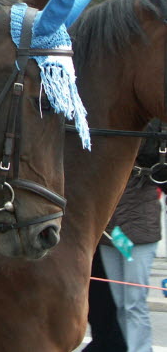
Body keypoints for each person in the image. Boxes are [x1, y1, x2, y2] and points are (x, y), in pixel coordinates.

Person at [95, 140, 162, 352]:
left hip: (139, 233)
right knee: (121, 304)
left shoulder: (148, 149)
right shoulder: (104, 159)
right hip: (111, 234)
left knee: (135, 303)